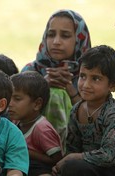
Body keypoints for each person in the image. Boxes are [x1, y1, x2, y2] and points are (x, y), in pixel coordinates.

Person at [50, 45, 115, 176]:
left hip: (113, 172)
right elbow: (72, 147)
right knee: (61, 169)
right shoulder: (77, 110)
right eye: (83, 76)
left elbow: (109, 156)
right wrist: (67, 161)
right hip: (85, 166)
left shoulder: (114, 113)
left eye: (96, 79)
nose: (86, 84)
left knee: (73, 167)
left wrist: (74, 158)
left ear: (113, 85)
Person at [21, 9, 91, 148]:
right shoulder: (30, 72)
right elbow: (13, 114)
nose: (56, 42)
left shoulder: (90, 75)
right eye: (51, 34)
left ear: (79, 39)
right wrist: (41, 87)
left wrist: (72, 92)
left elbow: (96, 122)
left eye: (65, 36)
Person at [8, 71, 62, 176]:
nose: (10, 104)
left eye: (17, 99)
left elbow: (56, 159)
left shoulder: (42, 128)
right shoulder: (15, 121)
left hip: (42, 170)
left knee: (29, 166)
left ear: (37, 104)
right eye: (9, 97)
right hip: (21, 165)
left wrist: (27, 152)